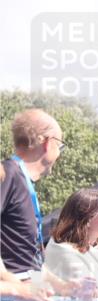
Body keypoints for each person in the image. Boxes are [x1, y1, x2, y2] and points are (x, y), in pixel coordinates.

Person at [1, 109, 65, 275]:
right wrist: (9, 281)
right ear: (48, 142)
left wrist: (64, 285)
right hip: (14, 288)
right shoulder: (8, 174)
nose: (59, 154)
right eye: (60, 147)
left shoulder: (21, 179)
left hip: (30, 282)